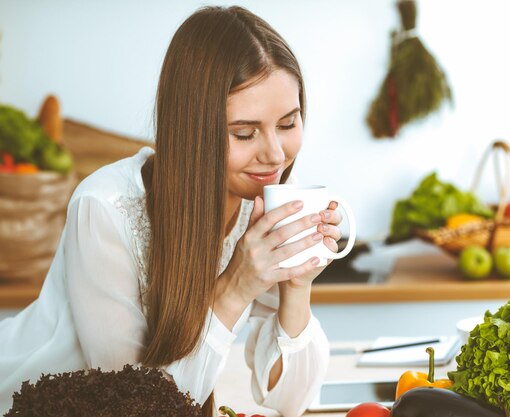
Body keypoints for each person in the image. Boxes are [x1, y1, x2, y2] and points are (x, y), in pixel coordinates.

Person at [0, 6, 342, 417]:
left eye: (287, 124)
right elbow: (133, 408)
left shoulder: (260, 205)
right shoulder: (105, 210)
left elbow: (290, 403)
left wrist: (297, 285)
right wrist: (235, 286)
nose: (274, 154)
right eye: (244, 133)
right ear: (192, 128)